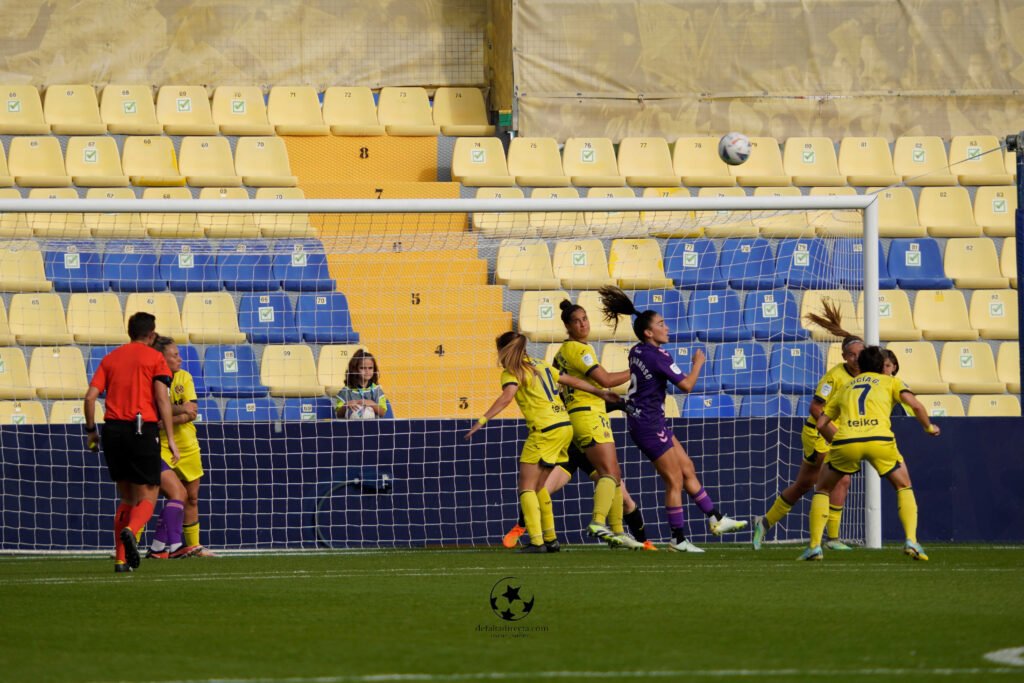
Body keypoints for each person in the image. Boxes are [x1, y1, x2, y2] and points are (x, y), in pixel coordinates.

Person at [597, 286, 746, 553]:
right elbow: (687, 385)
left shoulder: (637, 351)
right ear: (648, 332)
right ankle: (677, 539)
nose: (667, 328)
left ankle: (716, 518)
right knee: (674, 479)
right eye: (661, 324)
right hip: (648, 425)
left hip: (651, 421)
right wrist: (699, 362)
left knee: (687, 467)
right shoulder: (659, 357)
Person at [464, 331, 620, 553]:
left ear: (504, 351)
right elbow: (570, 379)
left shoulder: (513, 372)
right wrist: (600, 392)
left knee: (526, 487)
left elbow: (507, 397)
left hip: (544, 430)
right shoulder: (542, 365)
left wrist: (481, 421)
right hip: (564, 427)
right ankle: (551, 539)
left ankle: (537, 541)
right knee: (539, 487)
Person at [800, 346, 939, 561]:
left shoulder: (846, 387)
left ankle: (815, 546)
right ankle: (911, 540)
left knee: (823, 488)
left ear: (861, 365)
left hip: (846, 440)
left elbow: (820, 422)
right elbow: (916, 406)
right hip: (879, 440)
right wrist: (928, 427)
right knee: (903, 485)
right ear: (881, 365)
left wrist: (839, 441)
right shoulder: (891, 381)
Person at [752, 301, 859, 551]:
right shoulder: (833, 377)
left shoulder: (865, 376)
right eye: (851, 355)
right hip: (818, 433)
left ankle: (765, 523)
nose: (856, 358)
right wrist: (832, 433)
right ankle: (831, 539)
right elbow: (815, 408)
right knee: (837, 478)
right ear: (843, 356)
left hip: (838, 435)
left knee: (804, 485)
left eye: (860, 354)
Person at [84, 312, 180, 573]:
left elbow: (90, 398)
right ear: (151, 334)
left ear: (130, 332)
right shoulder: (155, 358)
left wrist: (92, 431)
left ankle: (120, 559)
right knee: (148, 494)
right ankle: (132, 530)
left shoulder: (111, 358)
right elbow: (161, 399)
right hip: (141, 428)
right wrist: (170, 438)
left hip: (112, 431)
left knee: (126, 497)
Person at [552, 299, 640, 548]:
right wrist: (637, 367)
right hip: (587, 415)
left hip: (589, 414)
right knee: (610, 474)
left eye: (585, 319)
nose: (583, 324)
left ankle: (617, 531)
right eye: (577, 321)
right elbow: (607, 379)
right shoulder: (580, 351)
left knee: (612, 475)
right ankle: (598, 522)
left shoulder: (562, 353)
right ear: (567, 326)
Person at [501, 442, 657, 551]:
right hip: (567, 453)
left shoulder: (592, 398)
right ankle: (521, 526)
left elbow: (608, 402)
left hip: (591, 453)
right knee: (539, 490)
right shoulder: (562, 398)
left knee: (624, 499)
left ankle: (644, 542)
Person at [146, 336, 214, 558]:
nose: (180, 359)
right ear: (162, 358)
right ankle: (132, 545)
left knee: (191, 497)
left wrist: (167, 414)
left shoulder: (185, 377)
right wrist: (178, 410)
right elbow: (158, 410)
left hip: (187, 444)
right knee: (153, 495)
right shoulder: (151, 379)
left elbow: (192, 412)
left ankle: (193, 546)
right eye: (175, 355)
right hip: (161, 445)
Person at [336, 350, 390, 419]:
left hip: (373, 428)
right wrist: (346, 405)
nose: (367, 371)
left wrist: (372, 404)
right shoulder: (345, 391)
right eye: (363, 368)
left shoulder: (377, 390)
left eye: (370, 368)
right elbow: (338, 414)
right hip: (351, 428)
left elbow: (382, 413)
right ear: (355, 370)